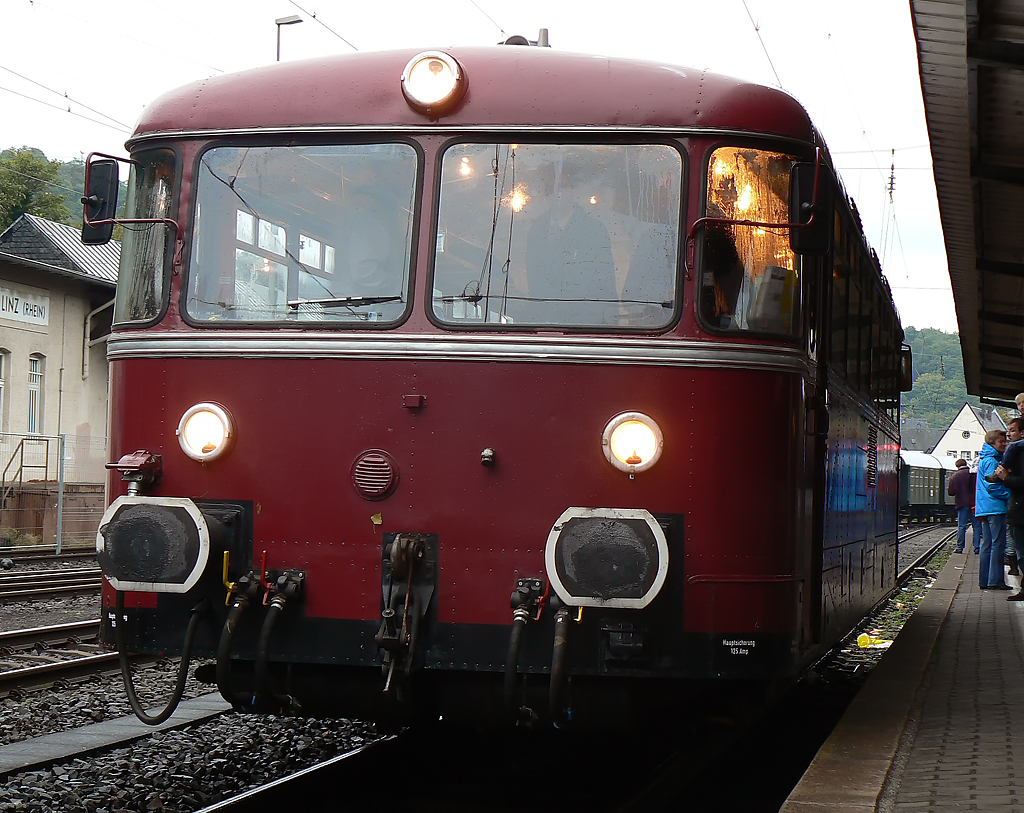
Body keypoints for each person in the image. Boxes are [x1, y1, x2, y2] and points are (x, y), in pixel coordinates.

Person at [523, 163, 618, 325]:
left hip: (584, 325)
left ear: (574, 190)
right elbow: (534, 283)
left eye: (561, 186)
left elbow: (606, 284)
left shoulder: (594, 231)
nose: (555, 193)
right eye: (549, 187)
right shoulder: (535, 230)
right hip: (542, 325)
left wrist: (610, 325)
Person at [976, 429, 1012, 590]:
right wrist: (1009, 495)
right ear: (992, 443)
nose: (1004, 444)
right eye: (1001, 441)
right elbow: (993, 486)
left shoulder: (984, 459)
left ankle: (984, 580)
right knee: (998, 544)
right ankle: (995, 580)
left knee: (987, 544)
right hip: (995, 507)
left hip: (985, 507)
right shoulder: (992, 460)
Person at [995, 417, 1024, 595]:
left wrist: (1006, 478)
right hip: (1018, 511)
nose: (1008, 433)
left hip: (1021, 512)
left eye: (1012, 430)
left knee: (1022, 553)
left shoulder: (1020, 453)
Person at [948, 457, 982, 554]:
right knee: (977, 526)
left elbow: (951, 492)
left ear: (957, 466)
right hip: (974, 503)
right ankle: (977, 547)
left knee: (961, 526)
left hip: (962, 504)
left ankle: (960, 547)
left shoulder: (955, 476)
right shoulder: (974, 474)